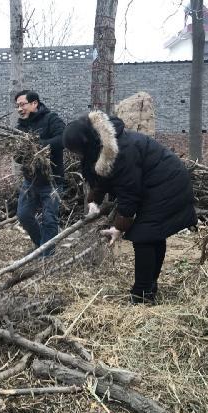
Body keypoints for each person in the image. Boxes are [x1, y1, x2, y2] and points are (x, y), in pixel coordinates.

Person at [62, 111, 197, 304]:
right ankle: (149, 287)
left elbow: (129, 193)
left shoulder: (121, 151)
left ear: (86, 142)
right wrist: (94, 201)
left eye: (77, 151)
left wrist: (119, 227)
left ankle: (141, 295)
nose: (77, 155)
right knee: (152, 235)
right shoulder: (101, 144)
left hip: (167, 185)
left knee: (143, 236)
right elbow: (103, 175)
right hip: (156, 184)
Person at [14, 90, 66, 256]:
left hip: (52, 180)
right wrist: (22, 154)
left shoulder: (51, 119)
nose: (19, 109)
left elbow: (63, 139)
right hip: (30, 181)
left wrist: (38, 147)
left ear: (34, 103)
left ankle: (47, 257)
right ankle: (41, 247)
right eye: (17, 106)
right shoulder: (20, 127)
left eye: (22, 104)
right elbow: (17, 156)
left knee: (50, 219)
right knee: (24, 215)